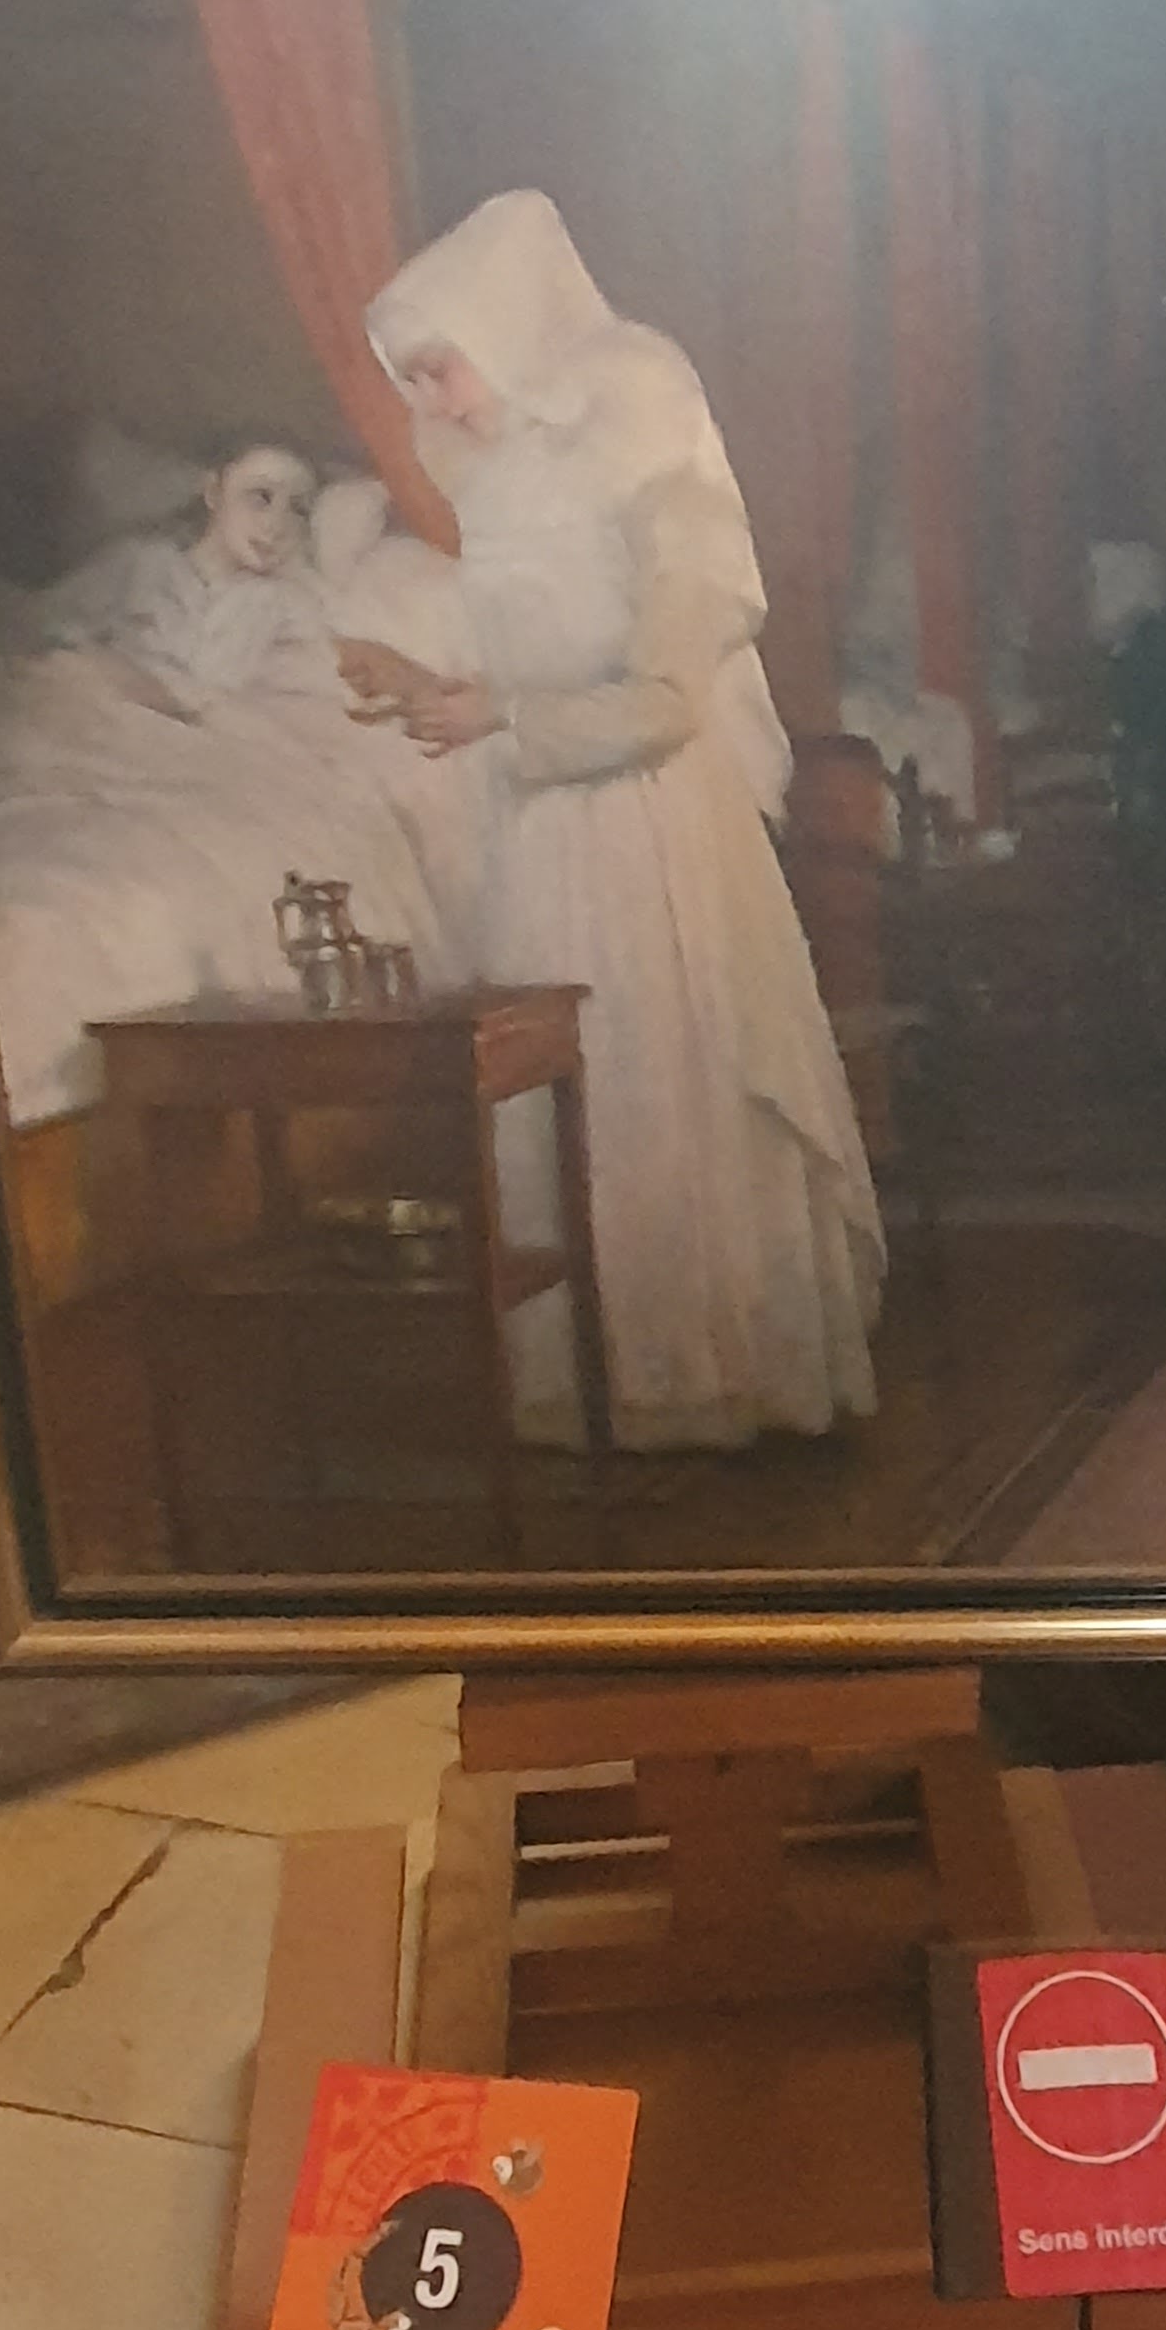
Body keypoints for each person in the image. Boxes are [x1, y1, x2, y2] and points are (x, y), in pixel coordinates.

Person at [344, 189, 883, 1449]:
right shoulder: (496, 477)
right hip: (546, 835)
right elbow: (531, 668)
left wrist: (500, 717)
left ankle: (713, 1377)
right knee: (573, 1113)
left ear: (503, 332)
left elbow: (662, 704)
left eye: (439, 369)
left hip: (653, 832)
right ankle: (602, 1390)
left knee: (663, 1091)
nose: (430, 405)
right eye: (411, 380)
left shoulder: (640, 435)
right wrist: (432, 687)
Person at [18, 436, 341, 717]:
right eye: (260, 498)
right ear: (214, 492)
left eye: (298, 510)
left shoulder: (286, 603)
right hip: (115, 719)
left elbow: (319, 688)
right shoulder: (141, 563)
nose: (276, 525)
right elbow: (46, 627)